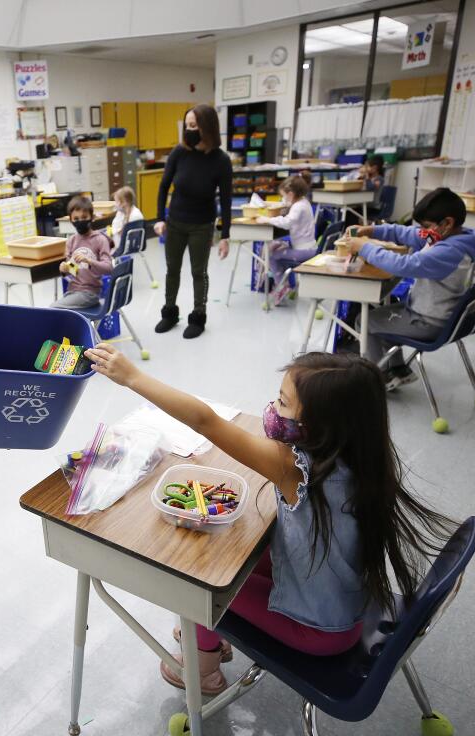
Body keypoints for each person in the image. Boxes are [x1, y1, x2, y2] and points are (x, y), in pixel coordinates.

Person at [84, 344, 453, 695]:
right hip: (338, 605)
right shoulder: (364, 459)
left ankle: (203, 670)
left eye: (283, 403)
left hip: (315, 631)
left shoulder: (295, 468)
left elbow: (205, 421)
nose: (273, 409)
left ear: (320, 426)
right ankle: (211, 635)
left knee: (193, 577)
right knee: (227, 546)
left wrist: (132, 377)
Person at [344, 188, 475, 391]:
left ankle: (380, 378)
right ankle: (397, 370)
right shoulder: (455, 238)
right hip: (439, 315)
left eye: (426, 226)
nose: (423, 231)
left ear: (447, 223)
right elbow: (409, 233)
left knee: (365, 320)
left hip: (428, 321)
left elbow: (405, 265)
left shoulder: (448, 251)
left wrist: (364, 247)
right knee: (382, 317)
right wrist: (372, 230)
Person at [153, 104, 233, 339]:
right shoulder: (179, 152)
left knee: (199, 272)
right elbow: (163, 186)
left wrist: (225, 235)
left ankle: (198, 316)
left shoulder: (221, 160)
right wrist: (159, 218)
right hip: (175, 221)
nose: (188, 130)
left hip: (202, 224)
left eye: (193, 126)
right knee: (172, 270)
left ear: (207, 128)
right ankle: (169, 314)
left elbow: (226, 201)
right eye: (187, 126)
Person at [262, 175, 318, 307]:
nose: (283, 199)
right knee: (278, 248)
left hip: (303, 251)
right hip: (309, 248)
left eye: (284, 196)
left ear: (291, 194)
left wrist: (267, 220)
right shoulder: (304, 202)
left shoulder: (298, 207)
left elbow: (287, 223)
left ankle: (281, 287)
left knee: (271, 255)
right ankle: (283, 284)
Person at [52, 194, 113, 309]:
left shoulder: (100, 239)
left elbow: (109, 268)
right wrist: (65, 269)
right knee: (60, 314)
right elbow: (73, 269)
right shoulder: (71, 241)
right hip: (73, 291)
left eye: (84, 217)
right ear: (70, 220)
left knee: (54, 309)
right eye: (76, 219)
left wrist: (89, 261)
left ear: (92, 217)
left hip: (90, 293)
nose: (80, 221)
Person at [110, 185, 144, 251]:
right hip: (116, 242)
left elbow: (124, 236)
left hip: (123, 247)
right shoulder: (121, 211)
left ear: (124, 202)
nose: (115, 204)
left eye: (116, 202)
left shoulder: (135, 215)